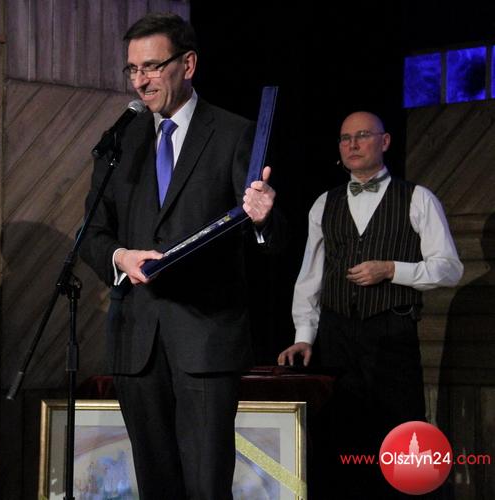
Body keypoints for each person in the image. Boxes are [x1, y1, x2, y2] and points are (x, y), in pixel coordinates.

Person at [79, 13, 285, 499]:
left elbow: (270, 238)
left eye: (152, 66)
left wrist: (263, 219)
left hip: (205, 338)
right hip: (137, 341)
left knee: (206, 485)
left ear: (188, 64)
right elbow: (91, 234)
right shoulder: (120, 141)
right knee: (156, 486)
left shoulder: (233, 133)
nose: (140, 80)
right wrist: (121, 257)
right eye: (133, 69)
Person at [278, 111, 463, 496]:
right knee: (342, 434)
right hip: (337, 334)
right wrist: (304, 336)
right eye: (345, 138)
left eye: (362, 135)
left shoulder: (417, 198)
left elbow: (449, 268)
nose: (352, 145)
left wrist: (392, 269)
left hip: (391, 331)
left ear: (385, 141)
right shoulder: (324, 203)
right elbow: (311, 274)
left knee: (399, 434)